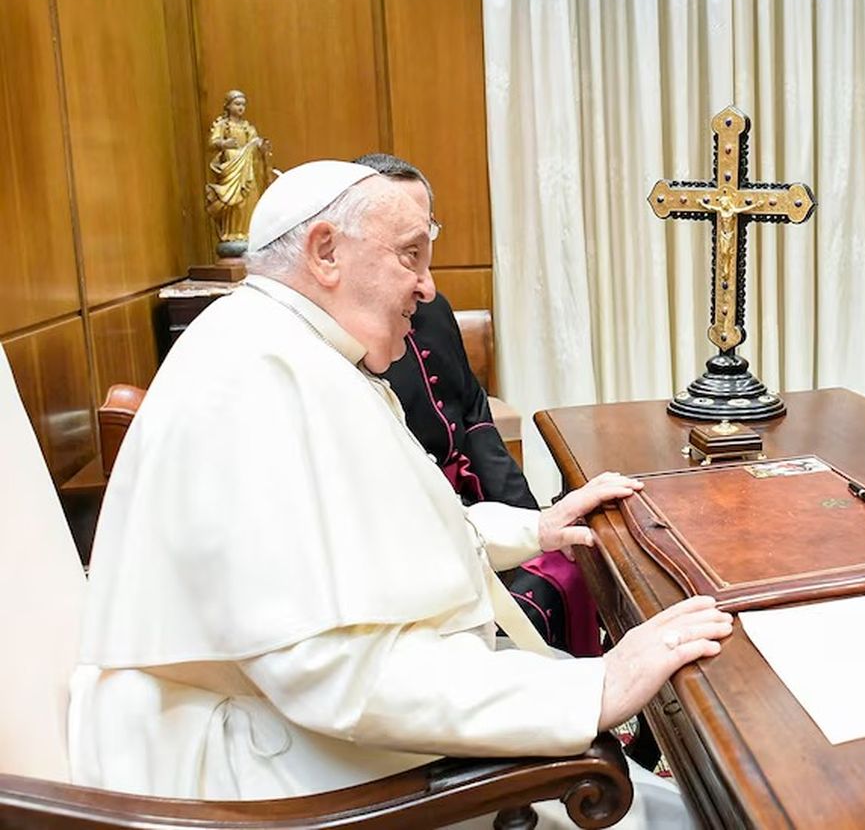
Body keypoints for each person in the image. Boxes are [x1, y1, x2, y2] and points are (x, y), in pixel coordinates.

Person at [69, 160, 732, 825]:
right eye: (410, 256)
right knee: (679, 817)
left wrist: (536, 528)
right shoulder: (255, 378)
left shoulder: (295, 348)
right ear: (326, 251)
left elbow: (386, 542)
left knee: (679, 805)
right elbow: (329, 671)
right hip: (271, 777)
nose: (427, 287)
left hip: (324, 729)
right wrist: (596, 687)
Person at [351, 152, 599, 656]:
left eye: (426, 242)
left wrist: (528, 517)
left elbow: (474, 420)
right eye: (405, 250)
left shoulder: (435, 309)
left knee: (571, 564)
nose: (425, 283)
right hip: (418, 537)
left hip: (473, 510)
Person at [204, 89, 270, 258]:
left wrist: (261, 147)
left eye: (243, 104)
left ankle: (245, 232)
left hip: (247, 170)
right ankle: (232, 233)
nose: (241, 107)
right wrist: (224, 143)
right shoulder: (222, 125)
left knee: (249, 199)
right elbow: (212, 143)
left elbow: (255, 145)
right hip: (232, 167)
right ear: (228, 105)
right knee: (235, 204)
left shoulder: (248, 128)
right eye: (237, 104)